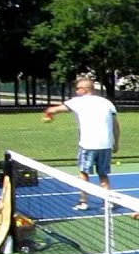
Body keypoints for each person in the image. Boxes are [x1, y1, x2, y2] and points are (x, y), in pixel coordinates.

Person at [42, 77, 120, 211]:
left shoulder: (78, 102)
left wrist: (48, 113)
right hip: (106, 145)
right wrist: (116, 143)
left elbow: (53, 110)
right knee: (103, 175)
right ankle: (107, 202)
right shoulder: (107, 103)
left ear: (85, 89)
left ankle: (83, 202)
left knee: (84, 173)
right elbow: (116, 126)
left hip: (88, 144)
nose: (76, 91)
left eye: (78, 88)